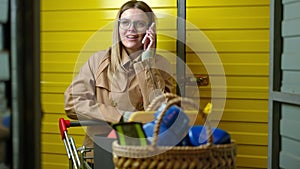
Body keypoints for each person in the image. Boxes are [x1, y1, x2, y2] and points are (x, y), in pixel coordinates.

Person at [63, 0, 175, 164]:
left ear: (150, 30)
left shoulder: (162, 65)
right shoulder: (97, 61)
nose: (132, 29)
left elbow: (163, 113)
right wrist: (122, 117)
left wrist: (146, 63)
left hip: (146, 156)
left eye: (140, 24)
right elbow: (72, 102)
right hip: (101, 153)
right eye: (125, 23)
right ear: (118, 27)